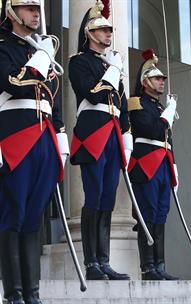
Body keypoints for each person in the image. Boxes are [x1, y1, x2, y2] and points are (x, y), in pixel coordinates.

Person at [0, 0, 69, 302]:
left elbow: (53, 100)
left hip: (44, 138)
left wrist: (60, 139)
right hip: (16, 137)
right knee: (12, 213)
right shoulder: (4, 47)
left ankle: (33, 293)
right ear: (12, 13)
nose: (36, 14)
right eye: (29, 8)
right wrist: (40, 58)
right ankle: (14, 293)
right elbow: (14, 84)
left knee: (34, 216)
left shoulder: (39, 51)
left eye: (37, 9)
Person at [68, 0, 131, 281]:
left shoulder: (111, 64)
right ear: (90, 33)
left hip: (113, 135)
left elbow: (122, 104)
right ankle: (91, 262)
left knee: (108, 198)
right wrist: (113, 70)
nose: (109, 34)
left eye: (109, 30)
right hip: (93, 133)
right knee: (93, 196)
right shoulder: (79, 62)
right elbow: (92, 94)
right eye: (103, 30)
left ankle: (104, 261)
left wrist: (127, 137)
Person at [127, 49, 179, 280]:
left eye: (162, 79)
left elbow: (168, 140)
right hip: (146, 163)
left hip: (163, 164)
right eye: (157, 78)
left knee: (161, 215)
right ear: (145, 81)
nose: (161, 82)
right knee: (147, 214)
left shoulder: (159, 108)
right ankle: (148, 267)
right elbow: (152, 130)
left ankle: (160, 264)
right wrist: (167, 114)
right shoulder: (136, 102)